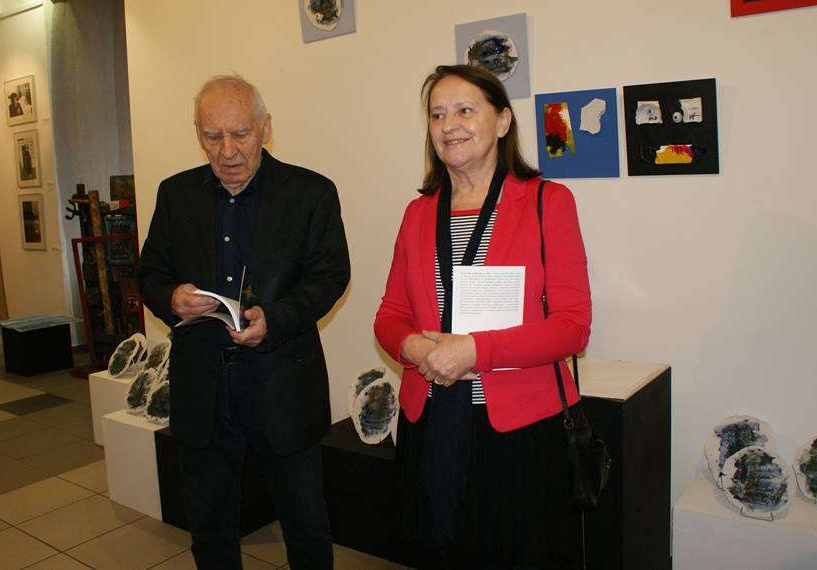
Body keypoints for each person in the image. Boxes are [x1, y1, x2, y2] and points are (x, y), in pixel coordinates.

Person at [374, 64, 592, 569]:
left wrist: (477, 351)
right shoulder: (418, 213)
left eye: (465, 110)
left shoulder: (548, 203)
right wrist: (413, 347)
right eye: (437, 115)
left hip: (516, 430)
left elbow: (572, 325)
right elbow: (390, 315)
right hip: (431, 421)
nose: (449, 125)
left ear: (503, 121)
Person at [138, 75, 350, 570]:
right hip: (202, 384)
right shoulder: (176, 194)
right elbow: (150, 273)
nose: (227, 151)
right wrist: (172, 297)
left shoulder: (311, 192)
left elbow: (329, 276)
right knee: (210, 528)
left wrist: (274, 319)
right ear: (197, 134)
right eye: (212, 136)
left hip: (282, 382)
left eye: (240, 134)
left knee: (305, 524)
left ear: (265, 128)